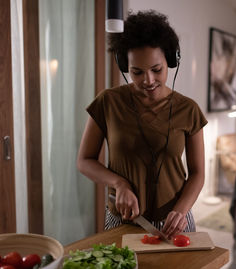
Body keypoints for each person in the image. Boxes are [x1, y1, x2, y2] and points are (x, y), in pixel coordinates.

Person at [77, 10, 207, 239]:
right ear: (125, 66)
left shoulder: (189, 109)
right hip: (122, 220)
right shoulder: (108, 102)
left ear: (171, 61)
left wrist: (181, 210)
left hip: (175, 221)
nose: (148, 81)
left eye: (157, 70)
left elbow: (197, 173)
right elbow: (84, 161)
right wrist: (119, 184)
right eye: (137, 72)